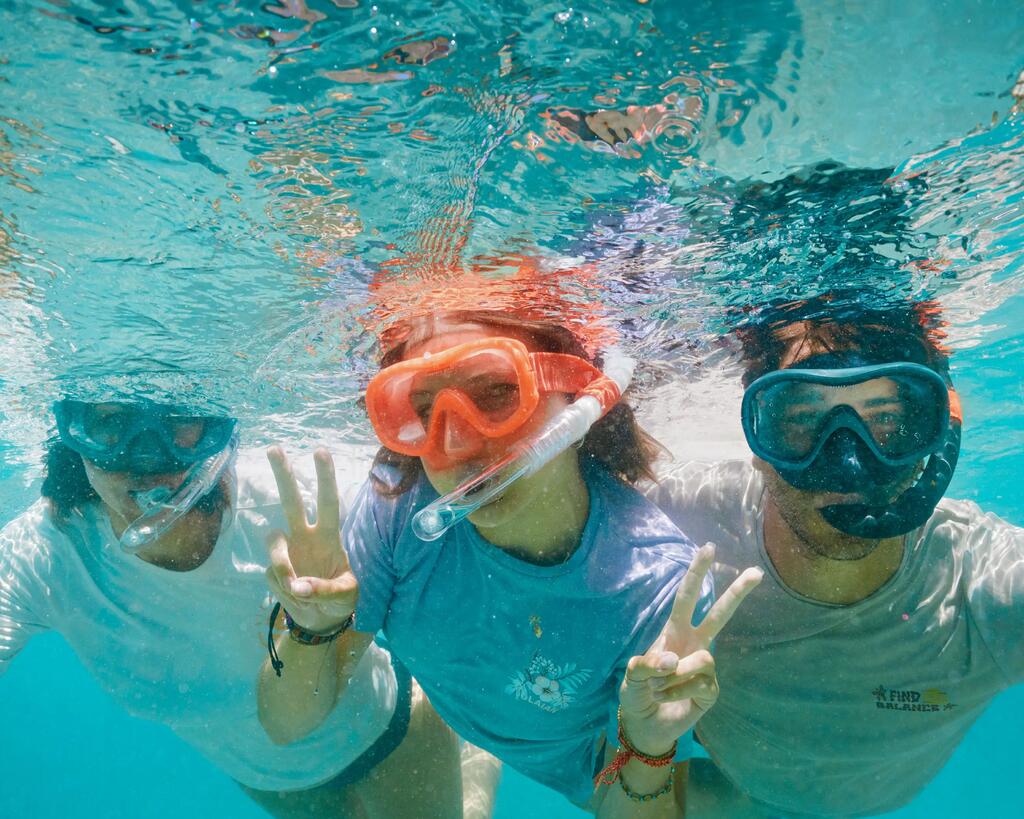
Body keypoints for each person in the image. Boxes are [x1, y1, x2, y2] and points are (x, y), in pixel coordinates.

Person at [258, 308, 763, 818]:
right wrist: (311, 630)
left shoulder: (652, 586)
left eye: (497, 393)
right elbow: (285, 725)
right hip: (479, 712)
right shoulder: (399, 508)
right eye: (426, 408)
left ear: (579, 398)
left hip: (586, 768)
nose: (456, 445)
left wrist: (650, 747)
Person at [0, 395, 466, 819]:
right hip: (266, 783)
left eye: (180, 419)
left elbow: (434, 511)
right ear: (71, 434)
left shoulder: (298, 497)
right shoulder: (41, 555)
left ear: (220, 431)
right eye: (109, 422)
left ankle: (473, 764)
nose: (145, 455)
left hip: (391, 741)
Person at [645, 297, 1024, 817]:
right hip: (721, 788)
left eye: (886, 419)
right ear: (757, 440)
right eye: (801, 420)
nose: (847, 466)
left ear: (934, 436)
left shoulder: (986, 583)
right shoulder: (683, 514)